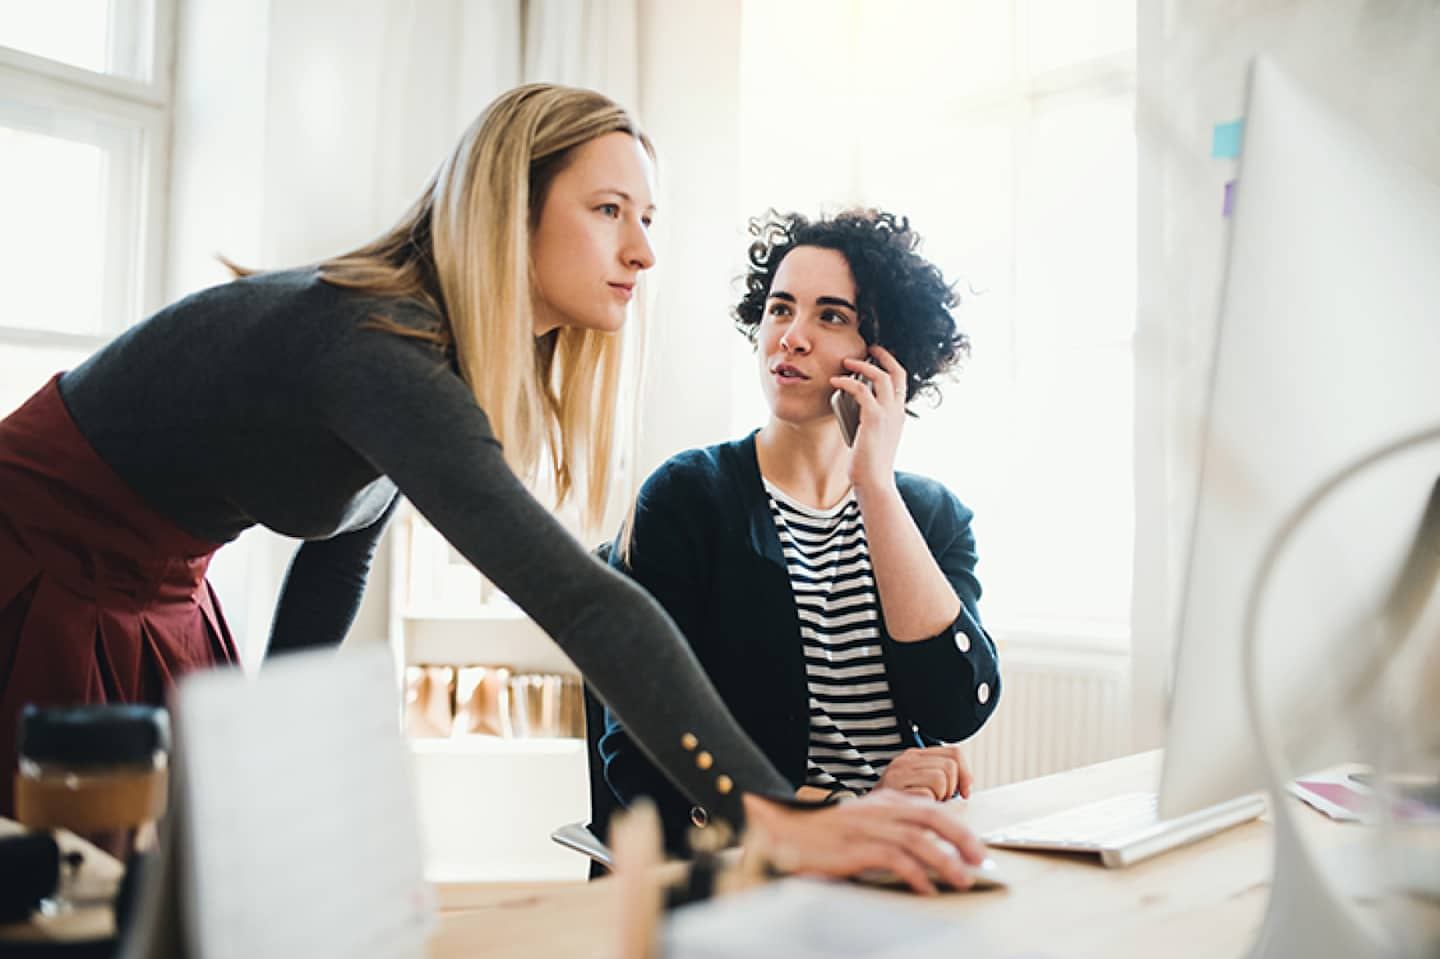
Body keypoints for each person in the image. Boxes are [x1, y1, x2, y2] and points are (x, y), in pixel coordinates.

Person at [0, 85, 987, 893]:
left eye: (648, 218)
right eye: (609, 211)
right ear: (506, 204)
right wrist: (772, 816)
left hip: (152, 593)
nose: (643, 249)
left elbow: (337, 553)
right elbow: (582, 601)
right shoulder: (375, 349)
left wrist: (255, 760)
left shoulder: (426, 358)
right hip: (32, 560)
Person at [601, 209, 1002, 855]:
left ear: (887, 352)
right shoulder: (687, 498)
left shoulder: (930, 516)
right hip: (758, 866)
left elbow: (959, 708)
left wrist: (875, 485)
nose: (791, 336)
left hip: (890, 858)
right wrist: (844, 812)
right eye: (780, 308)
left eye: (831, 315)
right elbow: (638, 752)